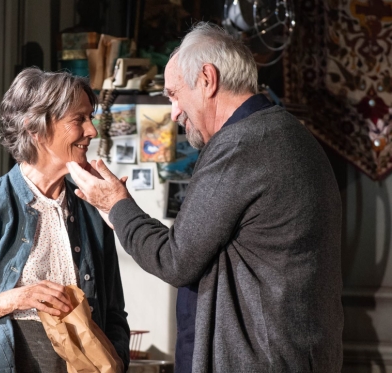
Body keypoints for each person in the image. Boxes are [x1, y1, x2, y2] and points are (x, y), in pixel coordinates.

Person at [67, 22, 343, 373]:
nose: (174, 112)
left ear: (208, 79)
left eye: (173, 94)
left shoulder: (242, 146)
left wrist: (115, 204)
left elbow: (175, 258)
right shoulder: (288, 134)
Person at [0, 68, 130, 373]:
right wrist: (18, 298)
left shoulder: (91, 206)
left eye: (90, 118)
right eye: (79, 120)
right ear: (36, 128)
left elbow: (113, 314)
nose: (92, 131)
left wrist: (117, 363)